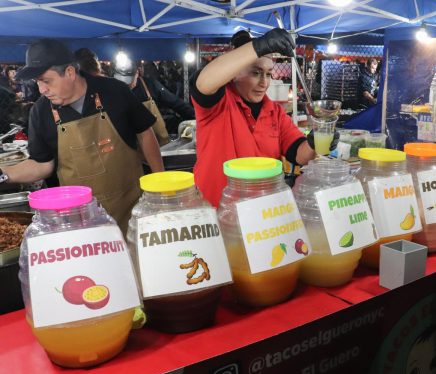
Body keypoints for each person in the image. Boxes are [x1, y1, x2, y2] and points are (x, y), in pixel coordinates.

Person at [3, 39, 164, 233]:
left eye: (47, 81)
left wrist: (159, 184)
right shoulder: (41, 111)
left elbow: (144, 133)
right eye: (37, 82)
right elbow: (42, 164)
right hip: (80, 221)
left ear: (70, 72)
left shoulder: (114, 91)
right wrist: (4, 174)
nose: (42, 90)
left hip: (131, 208)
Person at [191, 28, 330, 206]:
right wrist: (259, 46)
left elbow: (299, 154)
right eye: (256, 73)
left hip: (261, 213)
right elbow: (203, 82)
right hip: (216, 210)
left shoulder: (275, 112)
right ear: (234, 72)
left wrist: (314, 142)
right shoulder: (218, 103)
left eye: (269, 74)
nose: (264, 83)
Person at [114, 61, 195, 143]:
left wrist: (196, 117)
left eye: (129, 81)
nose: (126, 84)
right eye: (121, 81)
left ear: (137, 74)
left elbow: (175, 102)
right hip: (128, 142)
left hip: (155, 139)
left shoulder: (149, 84)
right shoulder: (112, 90)